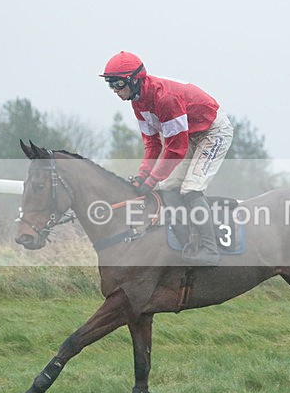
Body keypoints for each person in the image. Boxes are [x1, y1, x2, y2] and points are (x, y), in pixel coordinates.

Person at [100, 51, 234, 266]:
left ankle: (210, 250)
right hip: (190, 134)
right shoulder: (138, 103)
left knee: (190, 189)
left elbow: (175, 150)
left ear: (134, 80)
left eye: (117, 84)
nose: (115, 91)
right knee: (168, 187)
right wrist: (143, 176)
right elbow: (153, 145)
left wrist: (151, 180)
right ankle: (187, 242)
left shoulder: (164, 98)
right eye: (110, 85)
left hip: (213, 132)